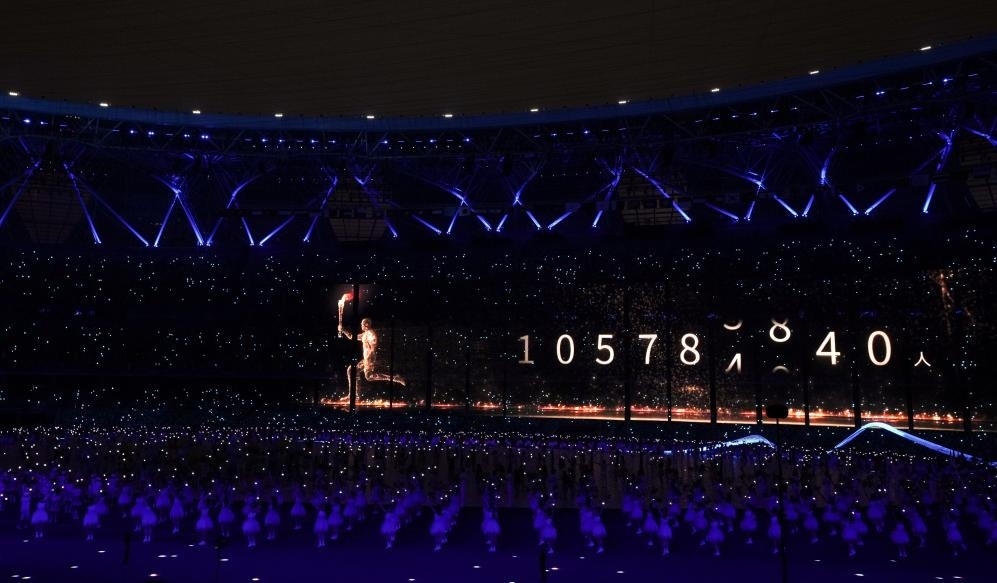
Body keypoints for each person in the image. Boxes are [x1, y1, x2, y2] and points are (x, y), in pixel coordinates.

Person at [339, 318, 406, 398]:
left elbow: (373, 347)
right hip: (367, 359)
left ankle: (395, 378)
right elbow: (351, 337)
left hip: (369, 359)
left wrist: (369, 360)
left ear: (366, 324)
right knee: (354, 371)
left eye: (362, 324)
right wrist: (343, 330)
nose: (361, 325)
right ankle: (354, 395)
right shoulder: (365, 334)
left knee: (367, 376)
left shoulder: (371, 334)